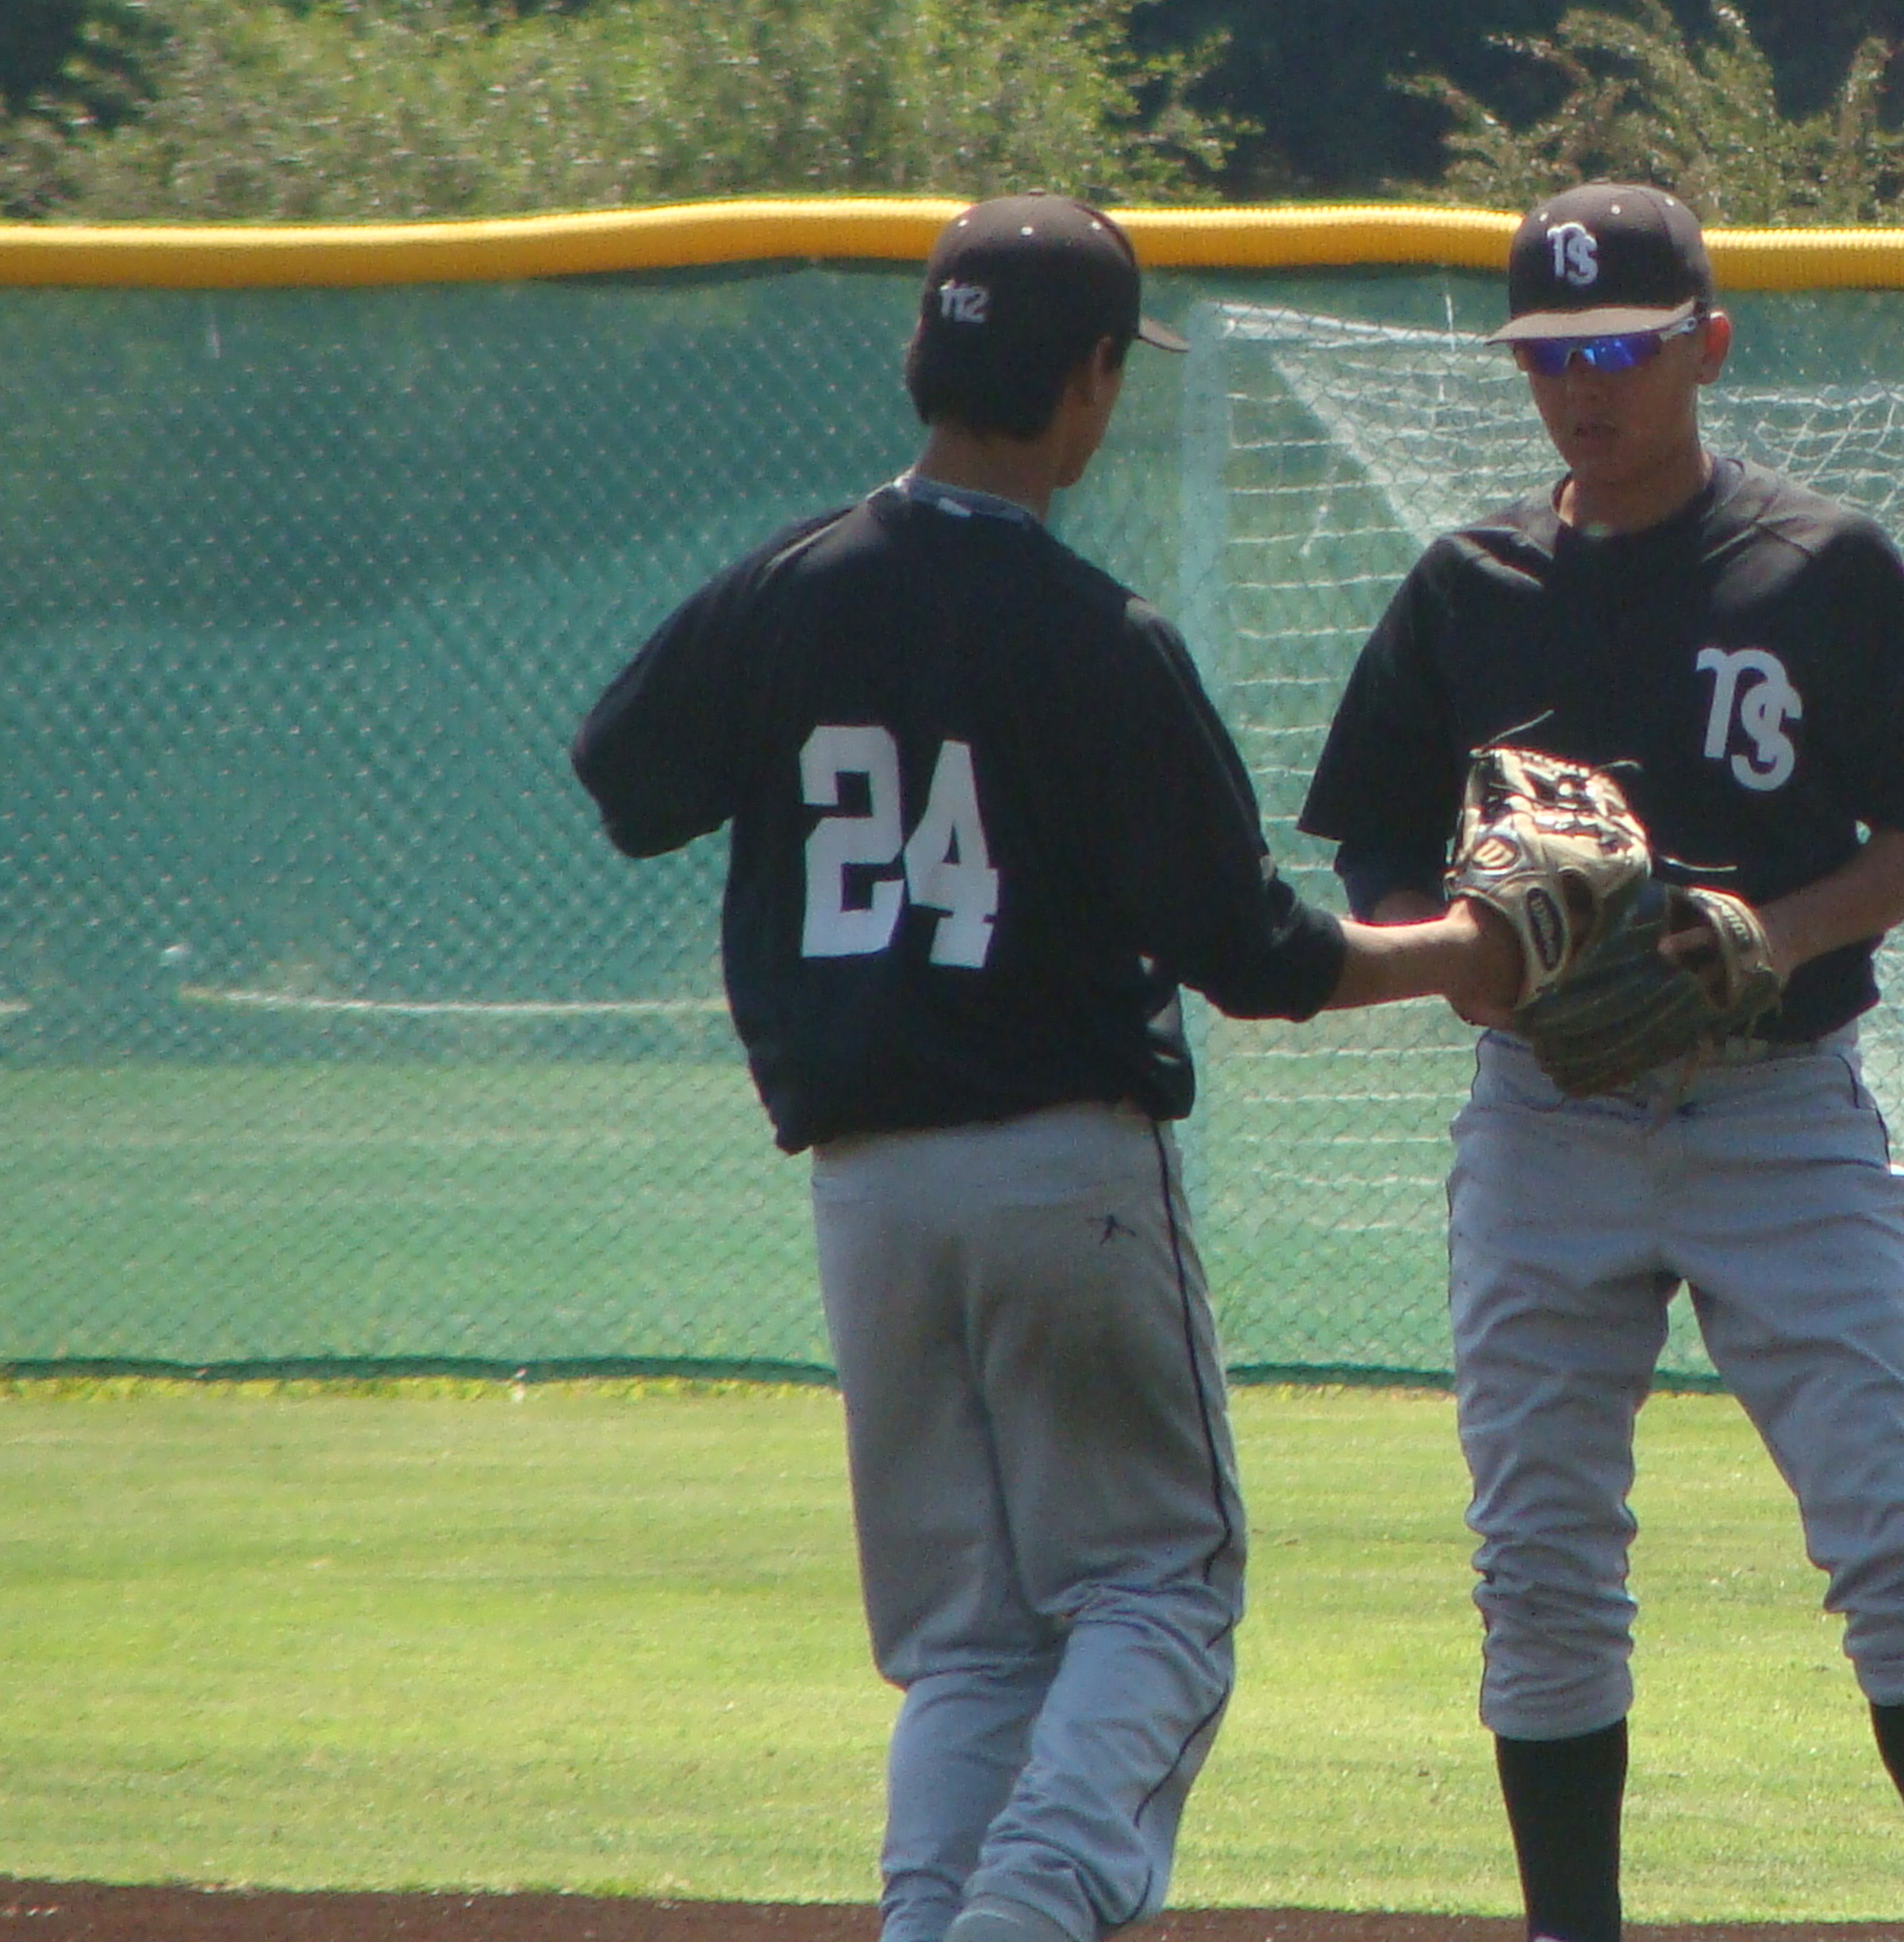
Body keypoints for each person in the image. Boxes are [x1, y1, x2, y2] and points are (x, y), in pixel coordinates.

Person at [570, 193, 1516, 1942]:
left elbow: (627, 781)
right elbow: (1262, 959)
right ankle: (1026, 1910)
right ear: (1090, 378)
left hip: (867, 1193)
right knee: (1158, 1592)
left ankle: (935, 1921)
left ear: (922, 358)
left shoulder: (788, 586)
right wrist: (1472, 950)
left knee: (969, 1642)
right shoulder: (1099, 635)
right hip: (1063, 1174)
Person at [1298, 182, 1904, 1942]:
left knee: (1899, 1534)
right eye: (1548, 355)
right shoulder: (1468, 587)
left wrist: (1774, 932)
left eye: (1620, 349)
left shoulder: (1819, 564)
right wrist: (1473, 970)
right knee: (1541, 1566)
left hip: (1780, 1111)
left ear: (1708, 344)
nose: (1583, 387)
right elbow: (1376, 851)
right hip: (1545, 1126)